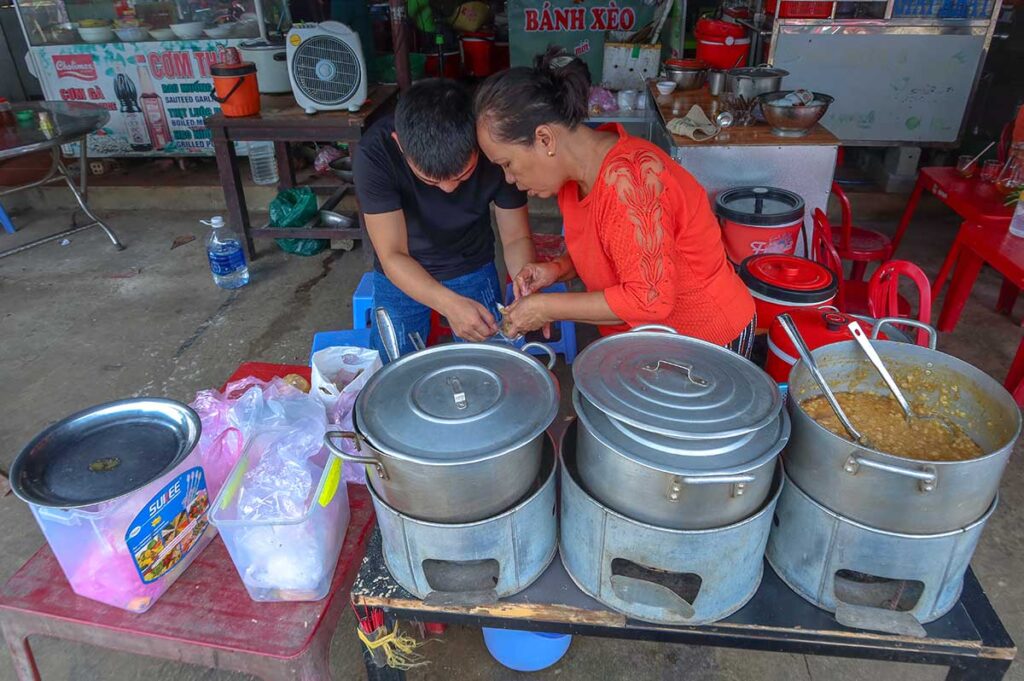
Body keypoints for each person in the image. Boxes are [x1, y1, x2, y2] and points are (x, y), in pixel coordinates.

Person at [474, 50, 756, 355]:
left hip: (706, 339)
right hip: (653, 342)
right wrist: (556, 269)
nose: (509, 179)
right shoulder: (574, 180)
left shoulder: (632, 181)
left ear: (545, 139)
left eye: (507, 163)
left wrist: (546, 307)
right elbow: (612, 251)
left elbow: (649, 300)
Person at [354, 78, 535, 360]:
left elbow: (516, 237)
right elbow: (392, 254)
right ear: (399, 145)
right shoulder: (375, 153)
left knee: (489, 362)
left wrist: (526, 286)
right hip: (403, 271)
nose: (450, 188)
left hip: (471, 260)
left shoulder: (497, 147)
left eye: (463, 175)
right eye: (431, 180)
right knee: (394, 364)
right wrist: (448, 305)